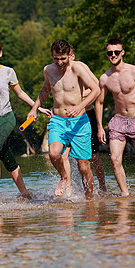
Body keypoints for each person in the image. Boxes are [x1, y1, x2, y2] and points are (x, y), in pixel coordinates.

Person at [0, 40, 50, 198]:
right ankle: (25, 193)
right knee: (5, 155)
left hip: (5, 117)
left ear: (1, 53)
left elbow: (20, 93)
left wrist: (37, 107)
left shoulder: (8, 71)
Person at [28, 39, 100, 200]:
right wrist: (34, 109)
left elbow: (96, 90)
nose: (59, 62)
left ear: (70, 55)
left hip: (79, 121)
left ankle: (89, 199)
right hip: (58, 120)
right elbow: (45, 90)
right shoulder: (48, 70)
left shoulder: (78, 68)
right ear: (52, 56)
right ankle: (64, 177)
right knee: (54, 154)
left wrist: (80, 106)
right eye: (56, 58)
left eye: (63, 58)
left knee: (83, 166)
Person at [96, 38, 135, 196]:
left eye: (116, 52)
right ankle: (125, 195)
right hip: (118, 122)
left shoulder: (134, 71)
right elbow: (99, 102)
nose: (113, 55)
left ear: (122, 52)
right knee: (114, 160)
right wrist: (99, 127)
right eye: (110, 52)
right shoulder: (105, 78)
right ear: (107, 54)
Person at [61, 46, 107, 193]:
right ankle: (69, 187)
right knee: (64, 155)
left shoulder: (80, 67)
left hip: (86, 115)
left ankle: (102, 186)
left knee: (93, 156)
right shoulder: (59, 71)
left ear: (72, 56)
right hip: (67, 119)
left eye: (68, 57)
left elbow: (96, 87)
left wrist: (80, 99)